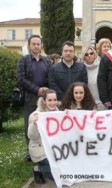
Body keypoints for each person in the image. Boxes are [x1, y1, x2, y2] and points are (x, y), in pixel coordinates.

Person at [17, 34, 52, 162]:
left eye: (38, 44)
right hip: (30, 97)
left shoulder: (47, 61)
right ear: (29, 45)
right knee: (30, 124)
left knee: (44, 124)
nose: (36, 46)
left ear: (40, 45)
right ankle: (30, 152)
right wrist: (37, 90)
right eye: (34, 44)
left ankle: (44, 150)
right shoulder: (24, 60)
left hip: (45, 99)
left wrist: (45, 90)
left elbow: (50, 78)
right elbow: (21, 79)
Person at [28, 89, 58, 184]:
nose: (53, 103)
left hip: (55, 149)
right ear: (44, 101)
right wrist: (35, 124)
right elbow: (31, 137)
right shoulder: (35, 115)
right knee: (57, 176)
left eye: (55, 100)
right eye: (49, 100)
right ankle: (38, 169)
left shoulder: (58, 114)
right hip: (41, 150)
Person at [83, 46, 106, 110]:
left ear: (95, 54)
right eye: (86, 54)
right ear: (84, 57)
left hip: (102, 102)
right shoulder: (82, 68)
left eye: (91, 53)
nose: (89, 55)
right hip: (87, 103)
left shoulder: (102, 66)